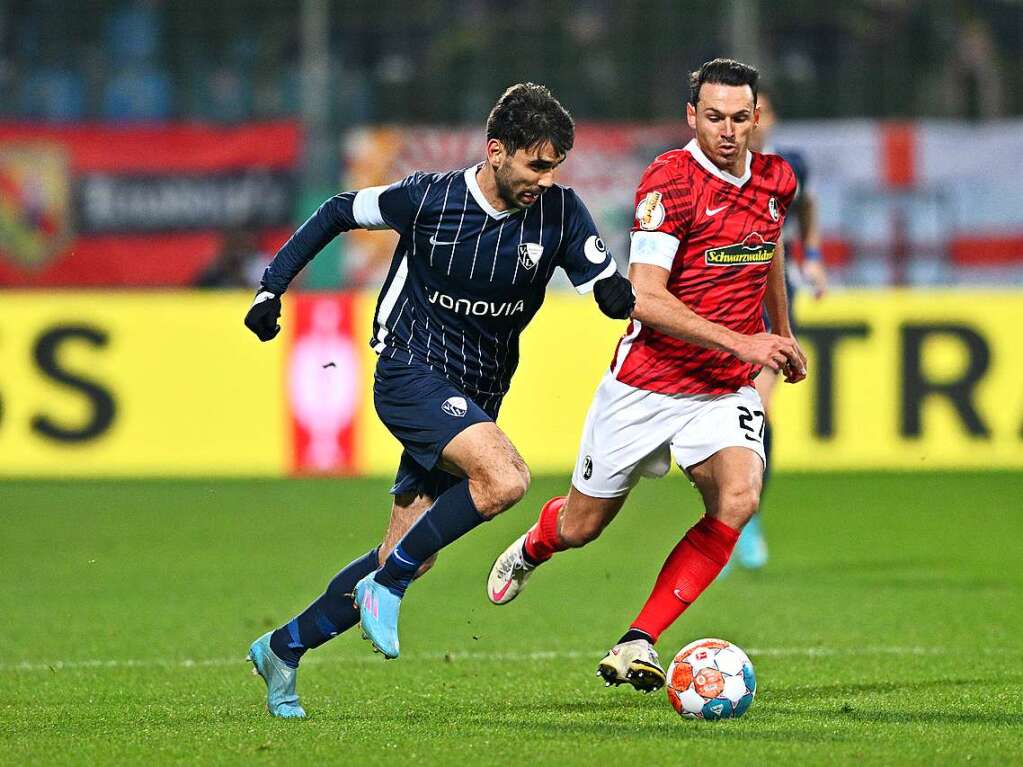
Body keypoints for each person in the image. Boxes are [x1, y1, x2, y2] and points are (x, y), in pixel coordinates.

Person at [242, 82, 635, 718]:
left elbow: (607, 285)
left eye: (555, 165)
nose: (545, 177)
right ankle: (387, 587)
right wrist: (271, 289)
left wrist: (618, 295)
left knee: (405, 549)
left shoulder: (560, 213)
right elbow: (339, 210)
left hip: (477, 394)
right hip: (410, 373)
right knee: (506, 478)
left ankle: (283, 648)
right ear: (497, 150)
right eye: (535, 164)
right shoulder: (430, 198)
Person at [486, 59, 807, 692]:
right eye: (713, 117)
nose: (727, 130)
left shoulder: (777, 181)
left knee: (739, 497)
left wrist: (783, 330)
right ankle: (531, 548)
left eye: (740, 118)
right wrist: (745, 338)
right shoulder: (671, 182)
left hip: (721, 389)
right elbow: (646, 297)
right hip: (645, 386)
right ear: (693, 116)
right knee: (582, 526)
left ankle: (638, 639)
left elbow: (768, 251)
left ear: (756, 118)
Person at [731, 88, 829, 569]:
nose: (754, 121)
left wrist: (811, 256)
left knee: (756, 408)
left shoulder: (789, 168)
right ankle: (729, 513)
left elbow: (806, 206)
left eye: (761, 112)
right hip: (716, 309)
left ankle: (744, 520)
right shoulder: (708, 173)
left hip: (770, 303)